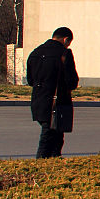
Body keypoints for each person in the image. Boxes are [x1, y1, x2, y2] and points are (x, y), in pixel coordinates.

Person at [26, 26, 79, 158]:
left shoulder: (35, 52)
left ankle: (53, 161)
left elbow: (30, 80)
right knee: (49, 136)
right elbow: (71, 81)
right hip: (57, 102)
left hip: (38, 101)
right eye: (68, 42)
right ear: (66, 39)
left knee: (53, 135)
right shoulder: (64, 54)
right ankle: (42, 165)